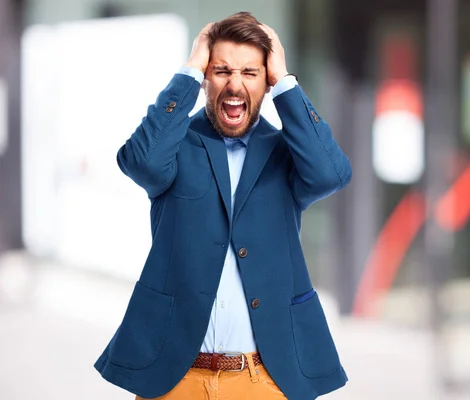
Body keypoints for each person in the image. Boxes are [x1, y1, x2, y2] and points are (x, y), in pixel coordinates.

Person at [94, 11, 352, 400]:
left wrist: (285, 80)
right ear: (205, 80)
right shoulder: (175, 146)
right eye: (221, 71)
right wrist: (189, 70)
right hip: (174, 378)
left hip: (264, 379)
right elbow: (140, 161)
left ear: (265, 84)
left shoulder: (287, 154)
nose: (235, 84)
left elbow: (331, 174)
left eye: (250, 73)